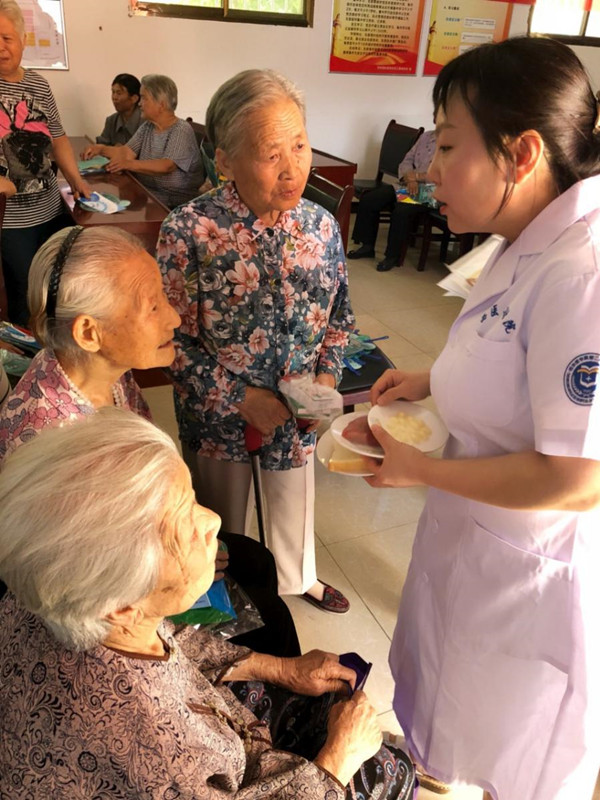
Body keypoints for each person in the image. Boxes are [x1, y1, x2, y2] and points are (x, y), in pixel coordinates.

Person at [367, 36, 600, 800]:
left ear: (521, 153)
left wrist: (421, 470)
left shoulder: (582, 274)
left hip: (527, 575)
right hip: (472, 546)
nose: (429, 168)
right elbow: (508, 355)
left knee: (512, 760)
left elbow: (578, 478)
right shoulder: (520, 235)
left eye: (447, 145)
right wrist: (430, 380)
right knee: (447, 718)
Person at [0, 409, 416, 799]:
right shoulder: (155, 747)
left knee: (324, 696)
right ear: (121, 604)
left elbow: (167, 638)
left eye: (192, 499)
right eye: (185, 525)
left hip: (209, 729)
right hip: (195, 763)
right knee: (389, 771)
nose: (213, 521)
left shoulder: (52, 588)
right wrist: (338, 758)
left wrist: (282, 668)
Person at [0, 224, 301, 658]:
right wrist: (182, 566)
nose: (174, 319)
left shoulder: (102, 374)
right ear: (89, 333)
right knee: (272, 623)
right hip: (105, 617)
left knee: (256, 560)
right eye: (153, 306)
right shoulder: (51, 443)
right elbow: (89, 602)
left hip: (144, 549)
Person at [157, 69, 355, 613]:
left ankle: (298, 577)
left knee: (294, 503)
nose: (293, 168)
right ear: (225, 160)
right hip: (218, 416)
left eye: (300, 146)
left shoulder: (321, 226)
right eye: (272, 154)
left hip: (296, 414)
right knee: (220, 525)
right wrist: (242, 398)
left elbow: (340, 314)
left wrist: (324, 382)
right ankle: (224, 597)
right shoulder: (189, 230)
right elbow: (168, 342)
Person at [0, 0, 90, 327]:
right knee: (25, 296)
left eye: (7, 38)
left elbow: (59, 139)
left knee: (58, 286)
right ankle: (30, 351)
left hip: (50, 208)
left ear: (23, 41)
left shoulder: (38, 84)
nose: (1, 47)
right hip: (11, 221)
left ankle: (57, 345)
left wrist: (76, 179)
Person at [82, 74, 203, 209]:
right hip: (147, 196)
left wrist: (129, 164)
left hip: (175, 205)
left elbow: (167, 166)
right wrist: (101, 149)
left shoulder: (181, 129)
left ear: (161, 104)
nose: (139, 103)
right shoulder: (148, 126)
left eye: (144, 98)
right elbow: (126, 152)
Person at [348, 129, 436, 271]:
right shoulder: (426, 136)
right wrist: (409, 178)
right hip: (409, 185)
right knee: (370, 199)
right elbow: (407, 161)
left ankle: (392, 256)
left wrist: (416, 177)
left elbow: (446, 174)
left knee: (401, 210)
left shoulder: (455, 143)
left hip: (432, 192)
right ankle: (367, 247)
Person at [95, 72, 142, 146]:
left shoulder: (146, 122)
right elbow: (101, 146)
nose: (114, 97)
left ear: (134, 98)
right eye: (113, 92)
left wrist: (121, 150)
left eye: (119, 93)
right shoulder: (111, 120)